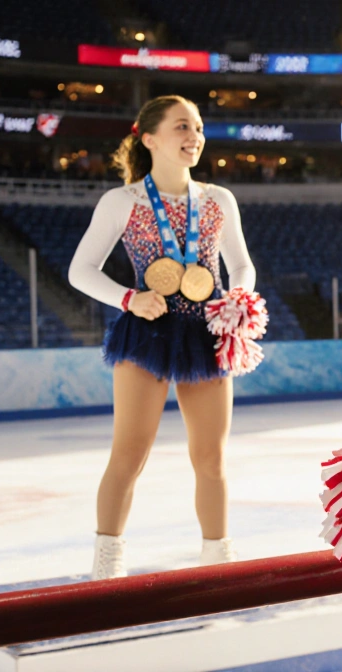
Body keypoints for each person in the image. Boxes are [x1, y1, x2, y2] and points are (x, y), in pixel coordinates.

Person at [68, 95, 256, 580]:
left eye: (196, 127)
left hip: (207, 334)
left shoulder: (218, 200)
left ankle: (218, 559)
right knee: (129, 453)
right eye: (181, 127)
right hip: (147, 332)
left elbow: (240, 264)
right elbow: (79, 271)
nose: (193, 136)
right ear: (149, 138)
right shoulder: (123, 201)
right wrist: (129, 300)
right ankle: (106, 563)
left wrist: (238, 298)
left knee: (211, 458)